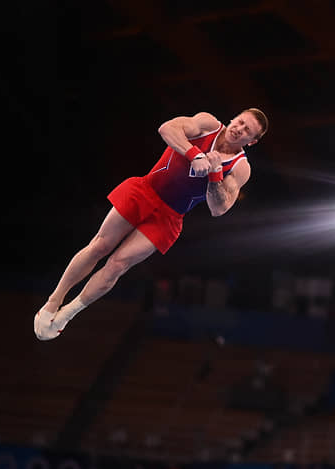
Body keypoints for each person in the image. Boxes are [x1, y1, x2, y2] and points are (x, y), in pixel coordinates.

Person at [34, 108, 269, 340]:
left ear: (253, 141)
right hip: (144, 191)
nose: (239, 129)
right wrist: (194, 154)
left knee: (117, 265)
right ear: (233, 118)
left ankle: (68, 314)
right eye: (239, 122)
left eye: (247, 130)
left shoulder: (241, 168)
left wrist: (215, 173)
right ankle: (53, 301)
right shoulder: (208, 124)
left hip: (169, 217)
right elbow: (167, 128)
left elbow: (218, 209)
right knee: (100, 246)